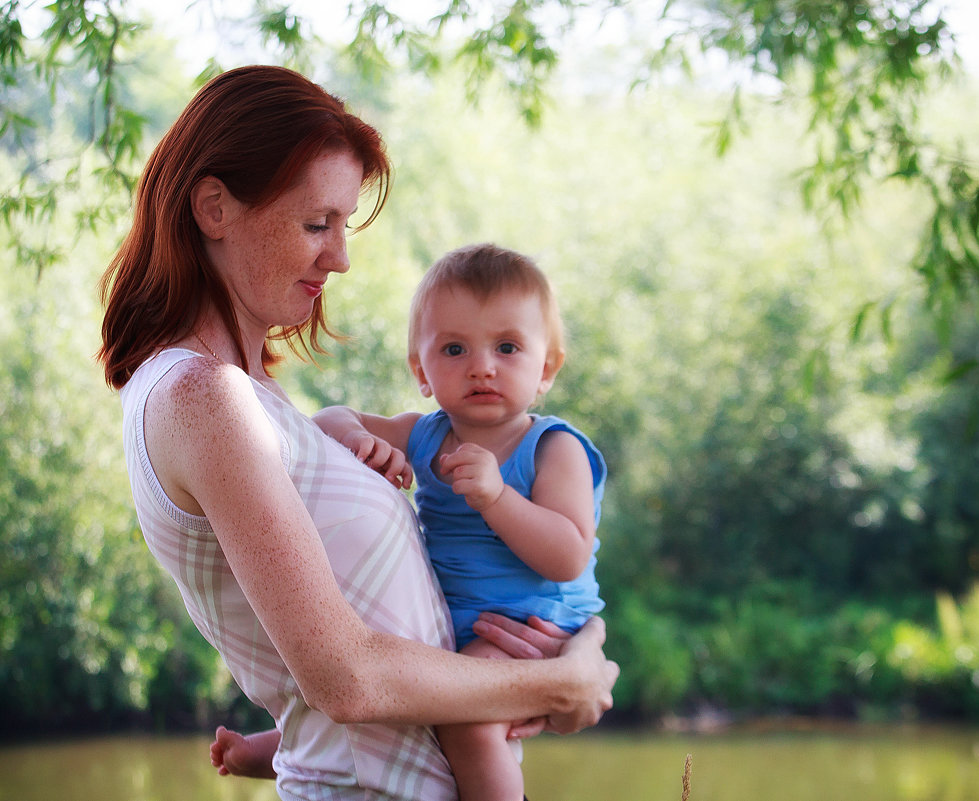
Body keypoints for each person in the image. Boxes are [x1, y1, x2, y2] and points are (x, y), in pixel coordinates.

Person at [99, 64, 617, 801]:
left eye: (343, 226)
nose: (339, 256)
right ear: (213, 207)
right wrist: (558, 680)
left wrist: (561, 662)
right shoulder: (201, 394)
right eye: (317, 224)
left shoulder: (251, 398)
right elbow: (345, 678)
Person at [213, 243, 607, 801]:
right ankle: (282, 746)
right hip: (449, 617)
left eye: (508, 347)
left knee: (465, 721)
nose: (482, 366)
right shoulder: (427, 435)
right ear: (421, 371)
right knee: (382, 662)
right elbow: (327, 420)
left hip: (526, 626)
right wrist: (359, 439)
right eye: (454, 349)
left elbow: (568, 555)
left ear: (545, 369)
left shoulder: (553, 447)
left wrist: (497, 497)